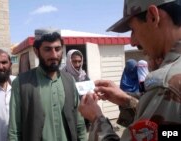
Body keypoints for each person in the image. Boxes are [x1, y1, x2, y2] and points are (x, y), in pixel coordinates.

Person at [78, 0, 181, 140]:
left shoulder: (166, 85)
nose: (132, 42)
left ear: (153, 16)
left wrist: (97, 119)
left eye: (133, 29)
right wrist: (127, 100)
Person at [8, 29, 86, 141]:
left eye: (57, 49)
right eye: (47, 49)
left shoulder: (69, 80)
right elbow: (14, 131)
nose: (54, 55)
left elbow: (79, 123)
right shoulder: (21, 83)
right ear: (36, 51)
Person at [62, 49, 91, 131]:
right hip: (68, 117)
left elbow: (90, 94)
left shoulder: (84, 76)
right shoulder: (61, 76)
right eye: (74, 61)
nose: (77, 64)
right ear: (69, 61)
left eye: (79, 61)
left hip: (83, 117)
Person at [117, 59, 139, 127]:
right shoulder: (125, 79)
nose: (133, 70)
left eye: (135, 68)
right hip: (127, 114)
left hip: (137, 113)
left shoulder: (140, 78)